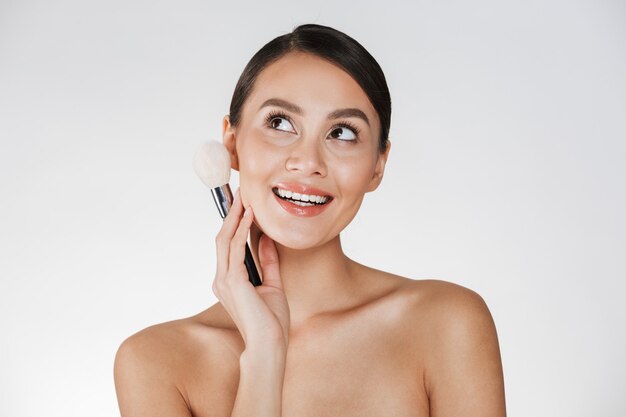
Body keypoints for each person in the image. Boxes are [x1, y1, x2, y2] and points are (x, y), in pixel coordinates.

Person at [113, 23, 506, 417]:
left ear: (377, 166)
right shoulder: (155, 363)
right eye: (280, 123)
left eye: (342, 132)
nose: (309, 162)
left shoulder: (446, 324)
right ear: (231, 143)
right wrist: (264, 355)